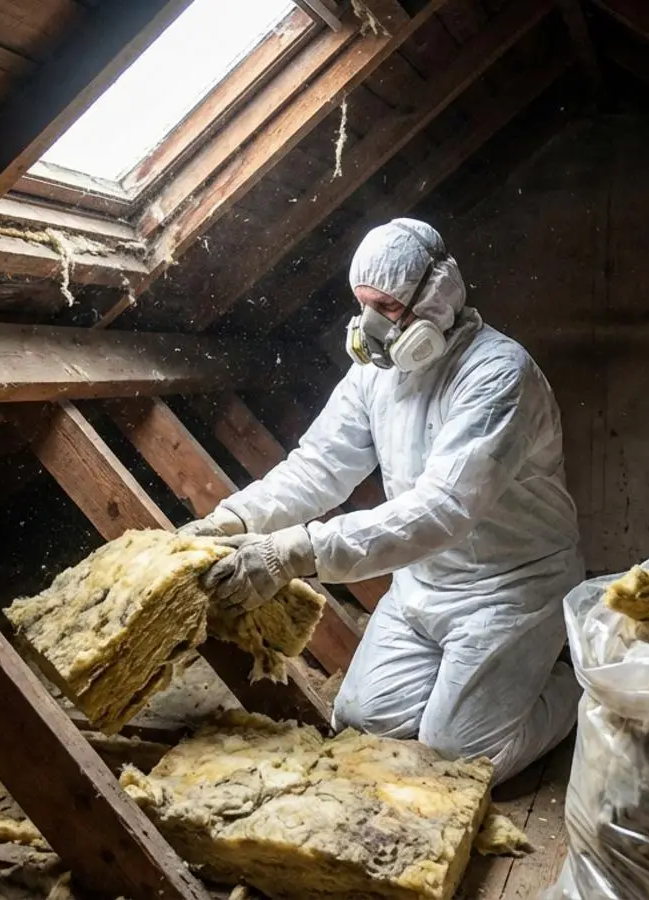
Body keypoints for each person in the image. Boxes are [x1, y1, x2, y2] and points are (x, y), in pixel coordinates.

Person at [182, 218, 581, 783]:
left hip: (508, 586)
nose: (370, 328)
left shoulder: (497, 375)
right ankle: (485, 687)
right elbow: (320, 465)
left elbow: (443, 508)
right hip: (422, 584)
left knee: (458, 760)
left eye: (388, 308)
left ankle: (567, 683)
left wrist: (295, 552)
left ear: (437, 300)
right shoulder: (374, 374)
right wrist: (233, 519)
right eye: (362, 305)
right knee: (361, 719)